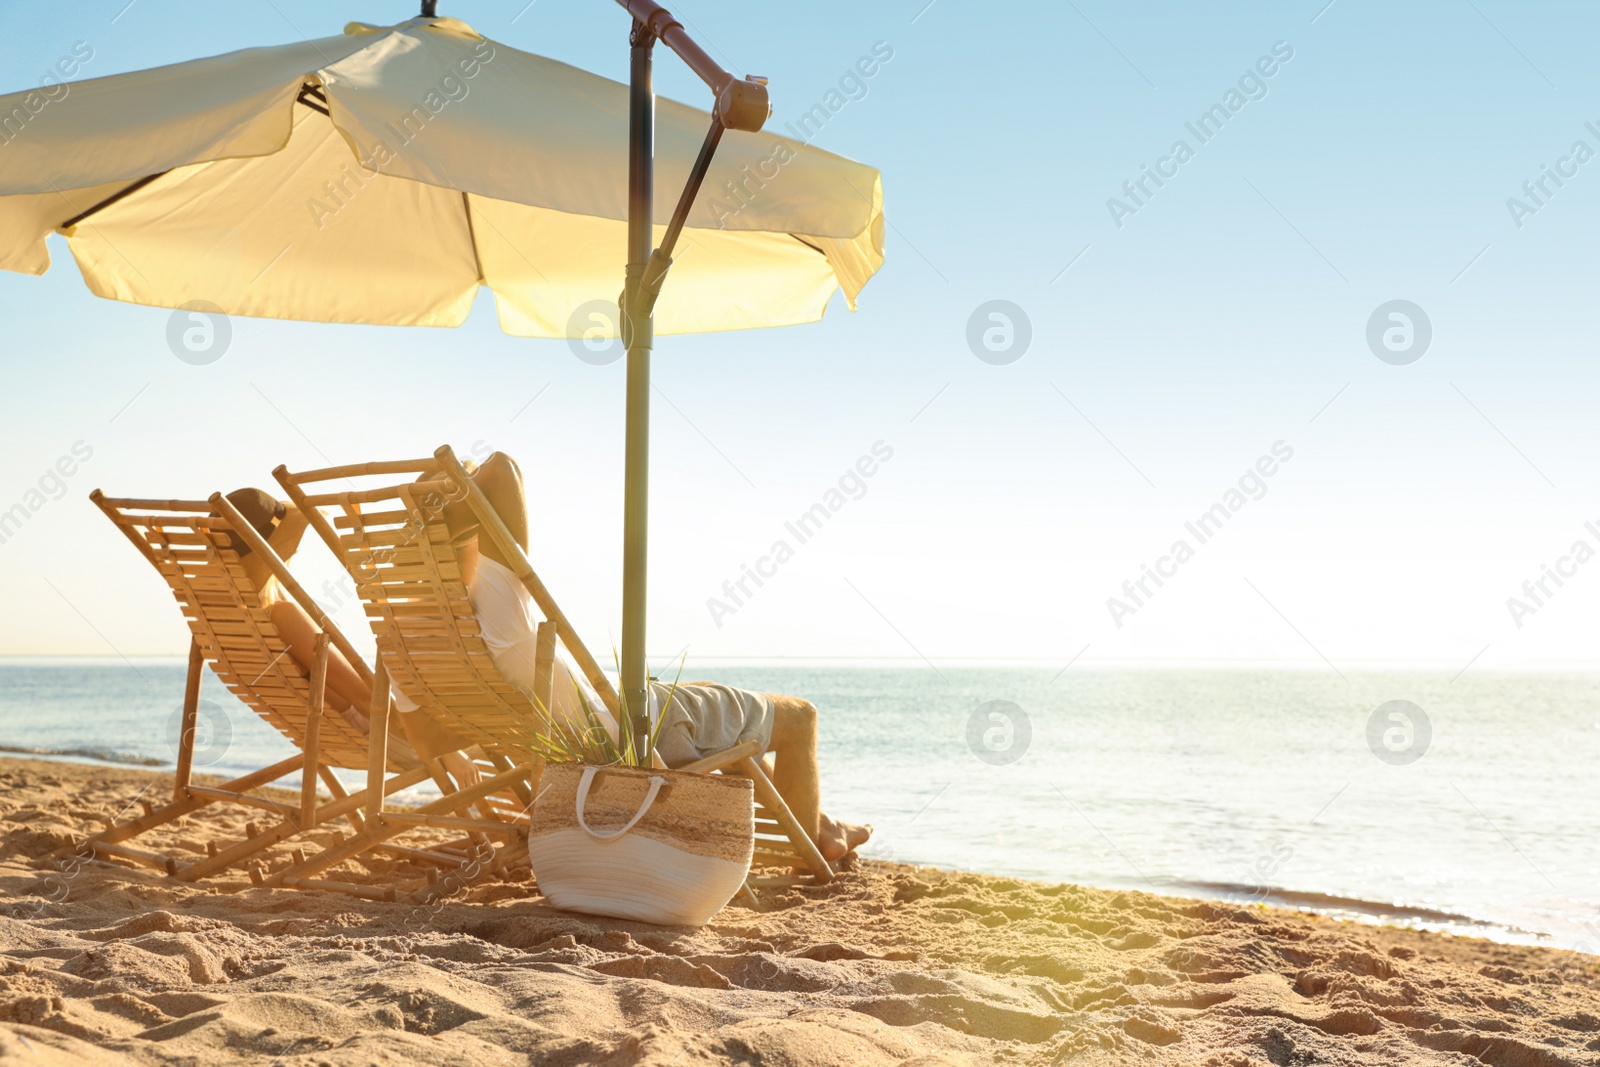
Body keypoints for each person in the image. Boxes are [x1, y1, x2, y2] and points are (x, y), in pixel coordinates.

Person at [420, 452, 871, 863]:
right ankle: (814, 846)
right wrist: (454, 505)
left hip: (594, 729)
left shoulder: (418, 636)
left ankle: (822, 823)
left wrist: (434, 526)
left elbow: (425, 738)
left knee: (713, 700)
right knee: (800, 719)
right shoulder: (500, 614)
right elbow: (500, 467)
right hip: (635, 732)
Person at [221, 488, 479, 787]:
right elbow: (367, 698)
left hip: (337, 738)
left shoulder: (240, 616)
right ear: (273, 549)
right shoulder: (281, 615)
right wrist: (449, 753)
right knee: (497, 738)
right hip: (382, 737)